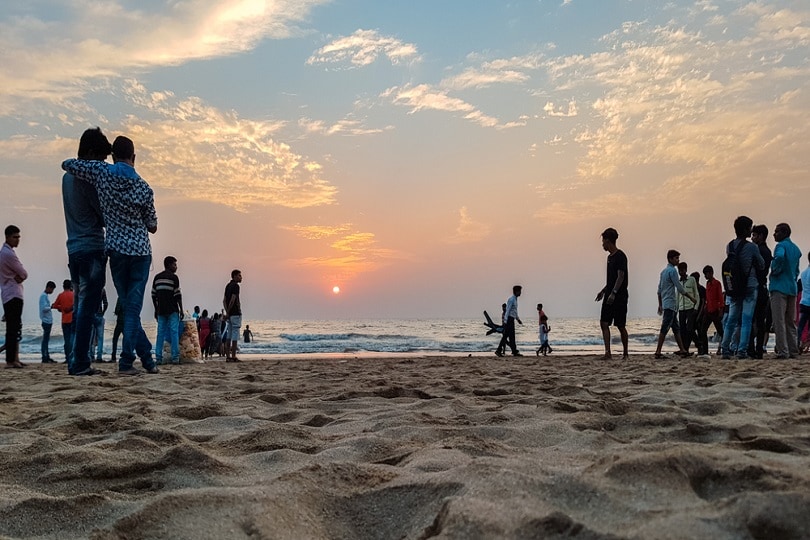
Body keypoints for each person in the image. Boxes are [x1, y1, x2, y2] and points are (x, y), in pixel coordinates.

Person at [62, 135, 160, 376]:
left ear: (114, 157)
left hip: (99, 249)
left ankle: (144, 358)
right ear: (134, 157)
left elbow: (66, 163)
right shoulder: (141, 186)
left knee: (122, 307)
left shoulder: (95, 174)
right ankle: (121, 362)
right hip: (125, 250)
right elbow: (152, 224)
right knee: (123, 308)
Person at [61, 127, 111, 376]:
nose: (102, 164)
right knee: (87, 308)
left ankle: (75, 359)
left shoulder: (67, 177)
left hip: (74, 248)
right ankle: (80, 362)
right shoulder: (85, 179)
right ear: (90, 153)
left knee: (82, 305)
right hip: (92, 247)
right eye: (100, 158)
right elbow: (101, 215)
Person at [720, 216, 765, 360]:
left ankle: (725, 349)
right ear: (745, 229)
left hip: (734, 286)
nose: (751, 230)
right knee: (746, 320)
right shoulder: (752, 247)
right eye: (750, 228)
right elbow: (762, 264)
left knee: (731, 319)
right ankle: (742, 351)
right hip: (750, 285)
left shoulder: (729, 246)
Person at [654, 250, 696, 359]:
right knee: (665, 328)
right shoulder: (672, 271)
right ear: (671, 259)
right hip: (670, 304)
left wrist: (660, 304)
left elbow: (659, 290)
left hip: (667, 303)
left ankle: (682, 349)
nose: (678, 260)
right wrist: (691, 297)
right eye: (676, 258)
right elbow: (679, 288)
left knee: (676, 328)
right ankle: (658, 351)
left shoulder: (663, 272)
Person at [769, 222, 802, 359]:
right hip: (792, 287)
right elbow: (796, 270)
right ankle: (793, 350)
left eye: (776, 232)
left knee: (779, 321)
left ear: (783, 233)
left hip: (779, 287)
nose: (774, 234)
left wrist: (775, 269)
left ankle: (783, 351)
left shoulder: (780, 246)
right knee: (790, 322)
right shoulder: (795, 248)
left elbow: (780, 257)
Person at [595, 227, 629, 360]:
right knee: (604, 323)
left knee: (620, 325)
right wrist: (603, 291)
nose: (602, 244)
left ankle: (625, 353)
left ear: (608, 240)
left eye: (603, 241)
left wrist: (614, 293)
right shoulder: (609, 258)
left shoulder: (620, 256)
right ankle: (607, 352)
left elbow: (620, 276)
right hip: (609, 293)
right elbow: (611, 279)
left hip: (619, 296)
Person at [1, 225, 27, 368]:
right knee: (13, 328)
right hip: (13, 294)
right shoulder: (8, 254)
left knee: (14, 327)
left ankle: (14, 358)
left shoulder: (6, 252)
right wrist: (20, 276)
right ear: (7, 237)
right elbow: (23, 273)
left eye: (18, 237)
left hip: (8, 293)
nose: (17, 240)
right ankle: (11, 360)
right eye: (15, 237)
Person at [152, 256, 184, 365]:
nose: (176, 267)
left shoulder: (157, 277)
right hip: (172, 310)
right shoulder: (174, 278)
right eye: (175, 264)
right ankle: (175, 358)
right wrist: (181, 310)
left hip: (161, 310)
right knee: (174, 333)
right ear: (169, 265)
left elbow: (153, 295)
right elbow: (178, 295)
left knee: (160, 334)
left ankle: (158, 358)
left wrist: (156, 309)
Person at [750, 224, 773, 358]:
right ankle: (757, 349)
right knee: (759, 321)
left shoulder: (760, 251)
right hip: (762, 287)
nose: (753, 237)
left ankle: (755, 349)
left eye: (755, 235)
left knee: (754, 320)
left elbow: (761, 270)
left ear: (761, 236)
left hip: (758, 287)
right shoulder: (765, 250)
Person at [698, 265, 724, 356]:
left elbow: (720, 298)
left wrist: (721, 310)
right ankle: (705, 351)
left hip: (716, 311)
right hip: (708, 311)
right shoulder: (708, 284)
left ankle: (725, 348)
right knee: (702, 331)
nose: (705, 276)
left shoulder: (717, 283)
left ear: (711, 273)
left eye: (706, 274)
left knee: (721, 332)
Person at [677, 262, 700, 354]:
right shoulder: (678, 282)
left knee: (690, 329)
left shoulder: (691, 279)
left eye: (682, 270)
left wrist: (696, 307)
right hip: (681, 309)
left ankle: (698, 344)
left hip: (690, 307)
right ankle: (685, 349)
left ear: (686, 270)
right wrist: (676, 309)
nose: (681, 272)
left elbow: (696, 294)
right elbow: (677, 296)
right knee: (682, 330)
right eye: (679, 270)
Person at [52, 279, 75, 365]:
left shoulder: (61, 295)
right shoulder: (73, 295)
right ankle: (72, 357)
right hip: (72, 319)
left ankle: (67, 358)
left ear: (63, 286)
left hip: (64, 320)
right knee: (72, 339)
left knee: (67, 340)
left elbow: (54, 305)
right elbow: (76, 305)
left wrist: (61, 308)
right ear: (70, 286)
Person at [496, 285, 523, 357]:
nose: (520, 292)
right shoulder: (511, 299)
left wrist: (518, 319)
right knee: (507, 336)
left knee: (510, 336)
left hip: (512, 319)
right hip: (509, 320)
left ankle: (513, 351)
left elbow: (514, 311)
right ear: (516, 291)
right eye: (520, 291)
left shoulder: (515, 300)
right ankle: (499, 350)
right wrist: (505, 321)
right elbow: (507, 310)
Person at [223, 270, 243, 362]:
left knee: (229, 334)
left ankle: (228, 356)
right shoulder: (236, 286)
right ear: (234, 276)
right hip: (235, 313)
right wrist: (229, 312)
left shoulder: (227, 286)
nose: (241, 277)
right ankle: (234, 356)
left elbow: (224, 300)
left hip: (230, 314)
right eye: (239, 275)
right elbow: (233, 299)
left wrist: (227, 312)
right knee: (235, 334)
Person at [39, 281, 56, 363]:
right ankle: (44, 356)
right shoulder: (43, 296)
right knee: (45, 340)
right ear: (49, 288)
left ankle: (46, 355)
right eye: (52, 289)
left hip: (47, 320)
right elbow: (44, 308)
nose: (52, 291)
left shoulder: (45, 296)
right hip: (46, 320)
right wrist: (51, 307)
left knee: (46, 339)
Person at [90, 288, 108, 363]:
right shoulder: (102, 290)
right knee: (100, 338)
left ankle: (91, 355)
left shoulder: (90, 288)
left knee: (91, 337)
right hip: (99, 314)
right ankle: (99, 356)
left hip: (91, 314)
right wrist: (103, 312)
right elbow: (106, 303)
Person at [797, 253, 810, 351]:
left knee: (801, 325)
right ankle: (805, 344)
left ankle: (797, 343)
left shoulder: (804, 272)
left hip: (804, 301)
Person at [110, 298, 123, 363]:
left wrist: (116, 312)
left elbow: (117, 309)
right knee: (126, 339)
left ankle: (113, 356)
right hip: (126, 321)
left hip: (120, 321)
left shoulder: (120, 298)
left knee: (115, 339)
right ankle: (125, 355)